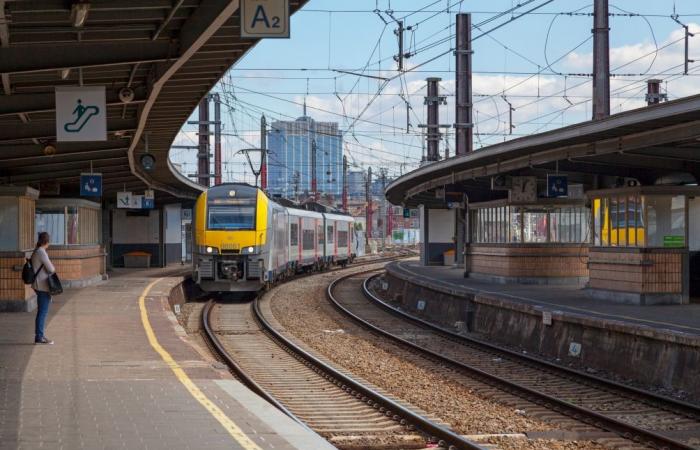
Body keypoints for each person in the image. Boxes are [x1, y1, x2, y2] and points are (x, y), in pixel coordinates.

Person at [31, 232, 55, 345]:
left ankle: (39, 336)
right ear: (47, 241)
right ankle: (39, 337)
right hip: (42, 285)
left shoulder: (36, 251)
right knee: (43, 312)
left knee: (41, 311)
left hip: (38, 284)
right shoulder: (41, 252)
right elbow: (51, 269)